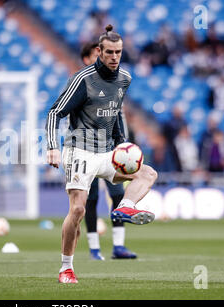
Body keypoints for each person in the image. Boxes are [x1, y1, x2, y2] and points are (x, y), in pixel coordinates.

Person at [46, 25, 158, 283]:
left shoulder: (125, 79)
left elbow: (115, 113)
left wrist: (123, 145)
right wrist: (52, 146)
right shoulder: (82, 79)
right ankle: (66, 267)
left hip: (108, 152)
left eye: (118, 52)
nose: (114, 57)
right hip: (80, 150)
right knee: (78, 211)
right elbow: (55, 112)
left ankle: (126, 208)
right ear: (99, 51)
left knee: (148, 173)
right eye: (109, 52)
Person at [80, 41, 138, 261]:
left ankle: (119, 246)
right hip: (87, 148)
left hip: (112, 147)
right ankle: (94, 249)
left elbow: (119, 117)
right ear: (87, 58)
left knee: (118, 194)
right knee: (91, 197)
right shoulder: (82, 82)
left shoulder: (116, 82)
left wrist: (124, 143)